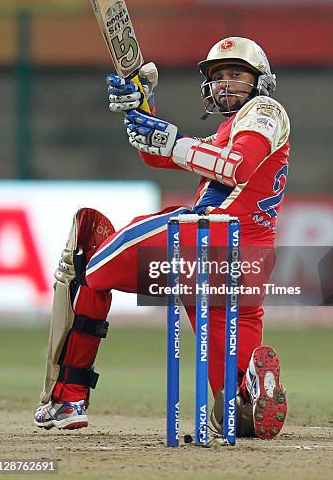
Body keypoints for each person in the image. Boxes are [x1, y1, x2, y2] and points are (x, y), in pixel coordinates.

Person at [34, 36, 290, 440]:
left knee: (90, 264)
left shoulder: (264, 111)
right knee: (232, 409)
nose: (226, 84)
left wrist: (174, 140)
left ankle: (68, 398)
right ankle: (249, 390)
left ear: (261, 82)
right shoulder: (228, 131)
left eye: (237, 75)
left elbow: (237, 168)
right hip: (247, 265)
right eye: (219, 76)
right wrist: (140, 106)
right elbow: (157, 152)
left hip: (207, 239)